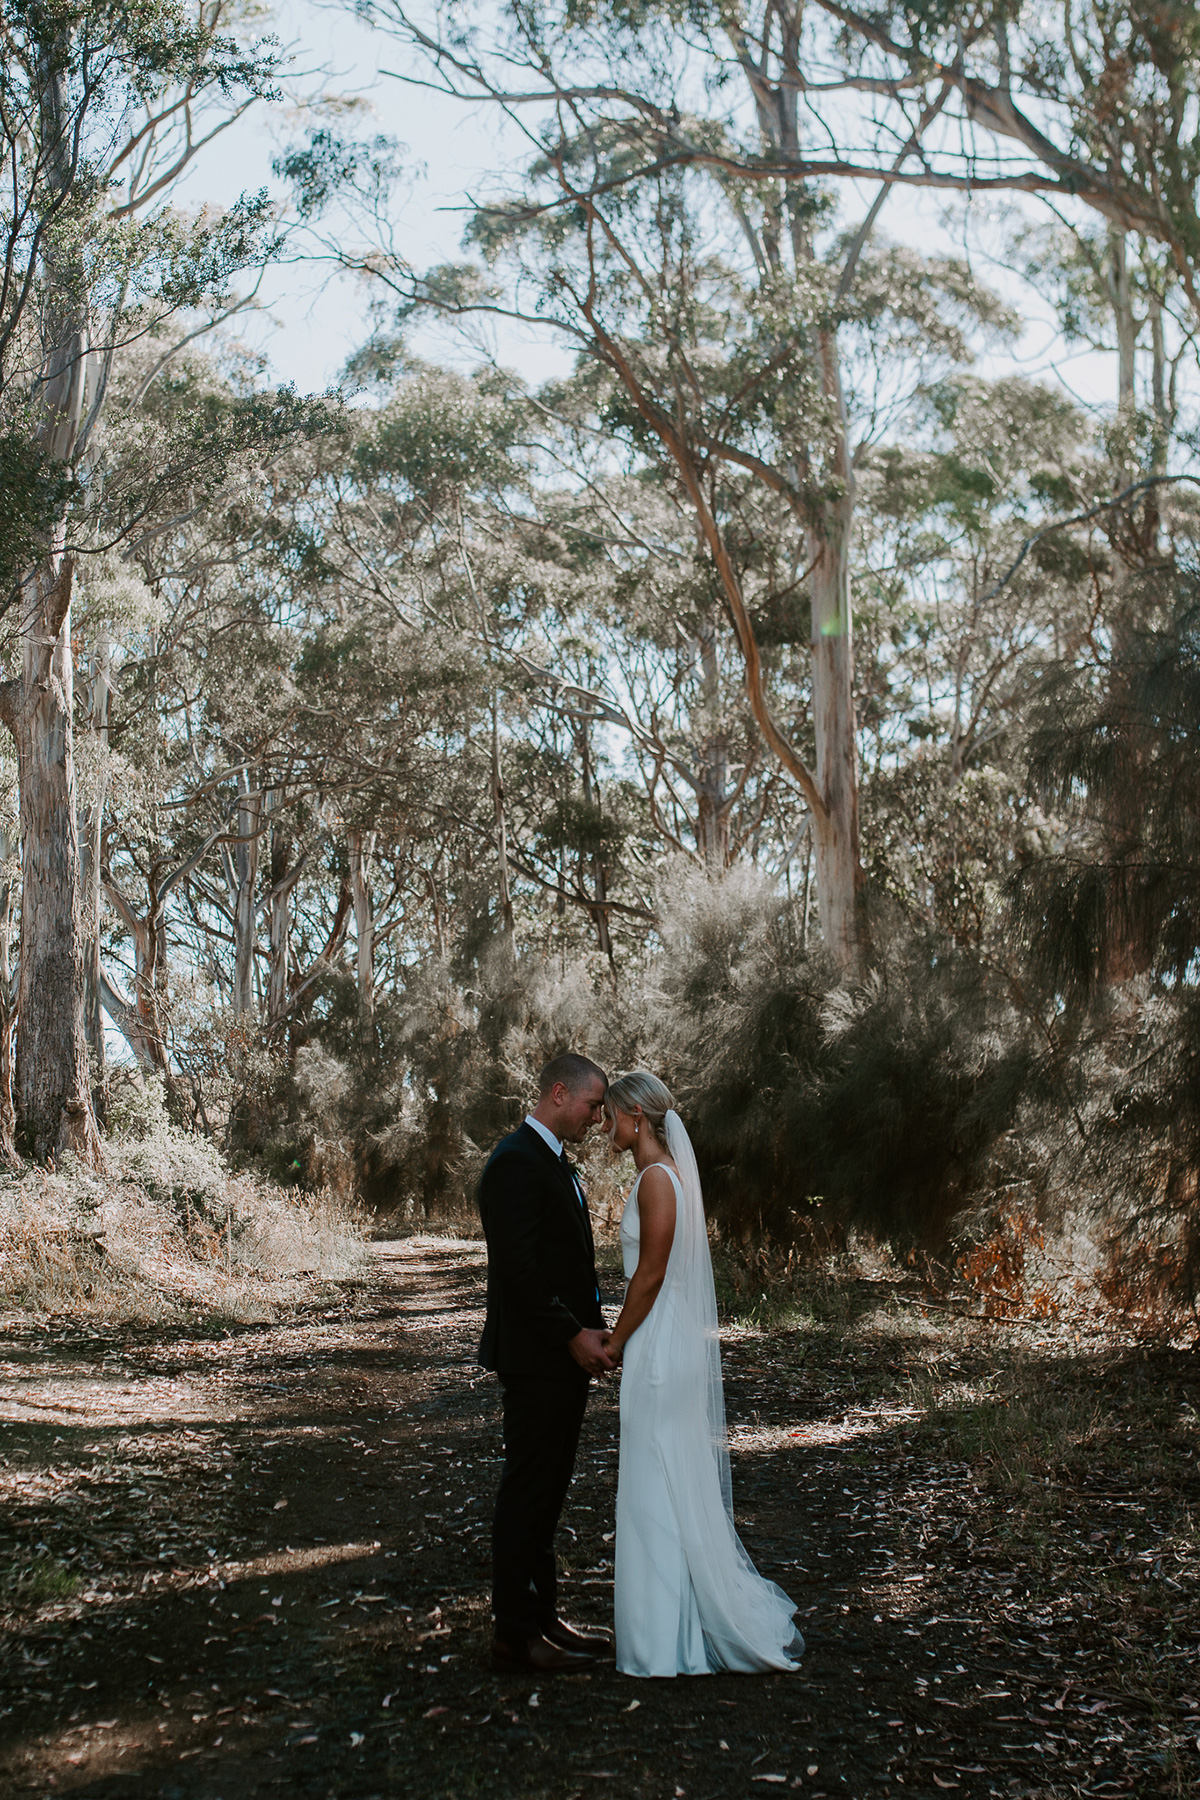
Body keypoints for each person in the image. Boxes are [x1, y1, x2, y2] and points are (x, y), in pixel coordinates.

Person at [604, 1070, 805, 1679]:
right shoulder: (664, 1177)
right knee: (660, 1483)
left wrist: (614, 1342)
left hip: (660, 1349)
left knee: (655, 1488)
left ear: (637, 1115)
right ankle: (666, 1634)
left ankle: (663, 1645)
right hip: (663, 1344)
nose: (605, 1127)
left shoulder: (658, 1182)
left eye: (611, 1115)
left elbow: (652, 1276)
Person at [478, 1051, 616, 1673]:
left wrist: (593, 1325)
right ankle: (513, 1631)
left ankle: (543, 1616)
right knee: (528, 1489)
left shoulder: (557, 1162)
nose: (597, 1117)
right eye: (592, 1105)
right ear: (560, 1093)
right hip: (537, 1358)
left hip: (565, 1357)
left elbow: (566, 1261)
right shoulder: (514, 1161)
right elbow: (520, 1270)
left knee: (551, 1487)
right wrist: (571, 1336)